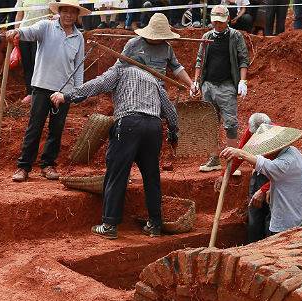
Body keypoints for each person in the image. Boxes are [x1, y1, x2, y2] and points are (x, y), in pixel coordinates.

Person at [50, 66, 179, 239]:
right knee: (152, 177)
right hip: (153, 128)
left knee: (117, 174)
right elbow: (170, 111)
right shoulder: (153, 78)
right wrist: (172, 132)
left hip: (128, 123)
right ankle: (155, 224)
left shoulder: (121, 70)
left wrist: (66, 96)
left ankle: (109, 225)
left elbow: (98, 84)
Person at [6, 0, 88, 182]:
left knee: (56, 129)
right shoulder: (46, 27)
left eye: (72, 12)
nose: (68, 15)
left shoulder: (78, 37)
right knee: (35, 127)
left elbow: (78, 66)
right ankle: (23, 167)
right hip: (42, 85)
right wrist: (17, 31)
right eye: (65, 11)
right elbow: (29, 32)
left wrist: (77, 91)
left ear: (76, 16)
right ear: (59, 12)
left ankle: (48, 164)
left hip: (64, 91)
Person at [191, 5, 249, 172]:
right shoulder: (207, 36)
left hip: (226, 86)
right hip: (208, 85)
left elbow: (243, 59)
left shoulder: (235, 36)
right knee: (210, 123)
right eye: (215, 22)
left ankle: (232, 162)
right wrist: (196, 82)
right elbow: (199, 61)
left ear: (228, 19)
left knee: (230, 124)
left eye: (221, 22)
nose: (218, 25)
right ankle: (213, 159)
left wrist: (242, 81)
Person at [220, 124, 302, 236]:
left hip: (284, 225)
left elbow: (265, 165)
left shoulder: (283, 164)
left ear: (274, 149)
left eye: (266, 150)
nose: (264, 154)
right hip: (295, 219)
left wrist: (240, 153)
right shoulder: (293, 151)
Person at [214, 113, 272, 242]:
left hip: (274, 180)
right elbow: (240, 154)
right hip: (258, 175)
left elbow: (283, 171)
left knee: (271, 219)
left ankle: (269, 248)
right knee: (254, 217)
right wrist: (225, 175)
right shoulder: (250, 132)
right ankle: (253, 250)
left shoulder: (278, 135)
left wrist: (265, 189)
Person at [115, 13, 193, 87]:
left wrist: (191, 85)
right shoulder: (133, 44)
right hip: (135, 86)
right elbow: (119, 65)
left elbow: (177, 68)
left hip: (158, 87)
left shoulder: (167, 48)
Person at [14, 0, 51, 105]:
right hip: (24, 34)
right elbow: (19, 15)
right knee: (27, 65)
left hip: (41, 36)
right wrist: (16, 32)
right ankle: (30, 93)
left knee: (38, 65)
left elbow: (54, 14)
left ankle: (39, 94)